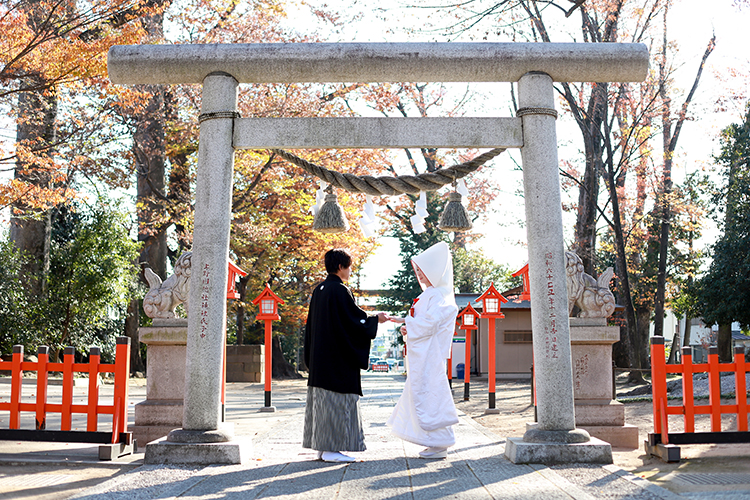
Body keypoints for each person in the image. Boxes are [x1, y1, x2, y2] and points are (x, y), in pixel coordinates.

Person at [303, 248, 388, 463]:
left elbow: (313, 327)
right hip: (336, 361)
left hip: (320, 360)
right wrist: (375, 319)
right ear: (340, 267)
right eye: (349, 266)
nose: (350, 270)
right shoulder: (339, 290)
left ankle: (323, 448)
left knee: (322, 403)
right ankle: (333, 450)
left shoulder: (320, 290)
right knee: (337, 402)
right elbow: (354, 321)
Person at [387, 241, 459, 459]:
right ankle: (434, 440)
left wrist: (407, 324)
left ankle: (439, 442)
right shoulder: (433, 294)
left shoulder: (438, 295)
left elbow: (430, 323)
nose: (419, 275)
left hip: (430, 354)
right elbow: (424, 321)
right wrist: (406, 324)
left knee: (430, 394)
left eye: (422, 271)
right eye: (418, 270)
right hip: (426, 353)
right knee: (425, 393)